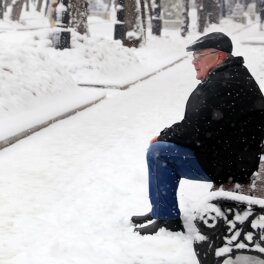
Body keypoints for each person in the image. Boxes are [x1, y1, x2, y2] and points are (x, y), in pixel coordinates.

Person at [131, 32, 264, 236]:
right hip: (231, 155)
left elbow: (195, 129)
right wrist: (170, 134)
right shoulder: (228, 76)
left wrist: (165, 135)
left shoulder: (225, 82)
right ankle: (161, 209)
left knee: (159, 153)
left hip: (231, 162)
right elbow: (199, 124)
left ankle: (167, 219)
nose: (194, 62)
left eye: (198, 56)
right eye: (193, 57)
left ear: (218, 56)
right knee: (164, 149)